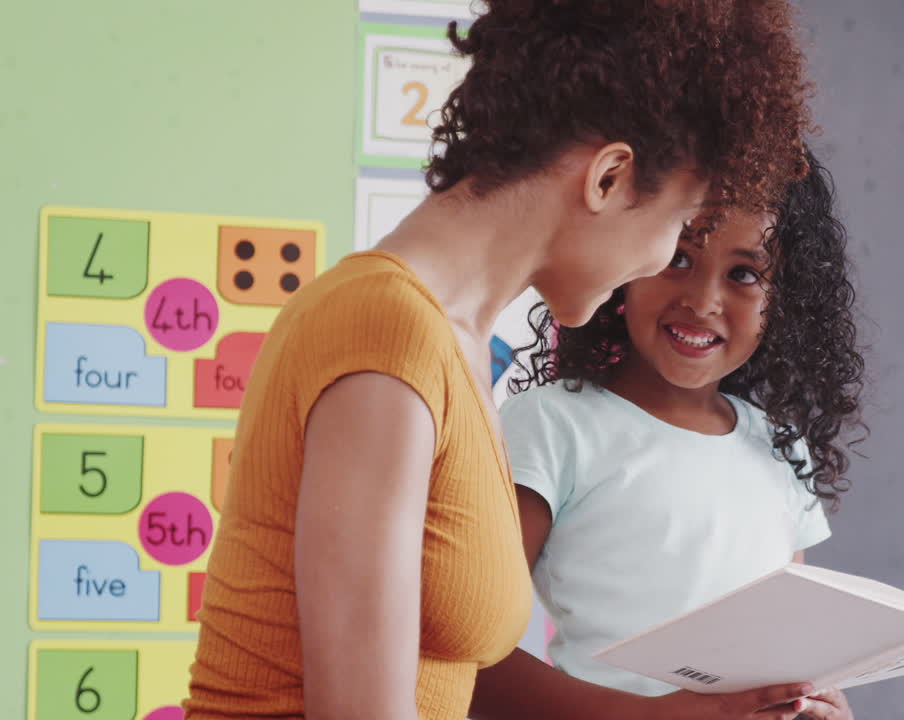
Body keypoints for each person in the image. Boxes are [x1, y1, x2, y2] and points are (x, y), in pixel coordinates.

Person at [182, 2, 816, 719]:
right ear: (608, 178)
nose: (660, 260)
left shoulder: (447, 343)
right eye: (676, 229)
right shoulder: (387, 331)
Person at [471, 147, 866, 720]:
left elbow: (782, 658)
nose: (702, 301)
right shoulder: (554, 426)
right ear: (629, 255)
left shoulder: (780, 448)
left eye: (744, 274)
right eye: (678, 257)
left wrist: (819, 705)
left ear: (787, 303)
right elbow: (472, 656)